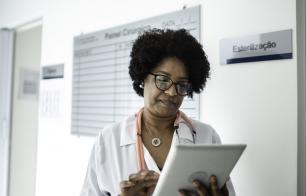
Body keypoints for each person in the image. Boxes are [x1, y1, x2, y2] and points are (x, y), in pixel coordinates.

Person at [80, 29, 235, 196]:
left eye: (181, 84)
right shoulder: (108, 139)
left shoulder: (207, 136)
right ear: (142, 78)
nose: (171, 92)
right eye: (162, 79)